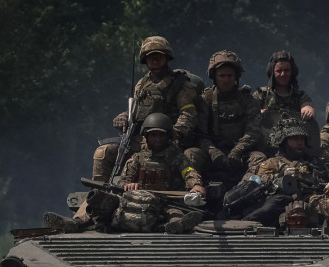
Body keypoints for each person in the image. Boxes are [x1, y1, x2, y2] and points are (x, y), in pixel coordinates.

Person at [47, 113, 204, 233]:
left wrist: (196, 186)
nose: (157, 139)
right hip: (133, 200)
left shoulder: (177, 158)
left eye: (161, 135)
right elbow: (124, 180)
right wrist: (128, 185)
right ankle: (75, 223)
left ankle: (177, 226)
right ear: (146, 136)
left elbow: (189, 172)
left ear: (168, 136)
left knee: (174, 213)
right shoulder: (137, 158)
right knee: (101, 202)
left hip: (164, 201)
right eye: (153, 135)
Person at [91, 36, 200, 182]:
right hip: (143, 139)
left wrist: (172, 135)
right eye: (150, 57)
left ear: (167, 58)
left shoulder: (181, 84)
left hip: (170, 140)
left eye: (158, 57)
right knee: (103, 152)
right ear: (145, 60)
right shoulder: (142, 84)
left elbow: (188, 115)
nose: (154, 61)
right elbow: (135, 110)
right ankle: (99, 192)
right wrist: (123, 117)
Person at [185, 50, 266, 189]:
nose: (226, 80)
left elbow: (253, 132)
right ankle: (196, 188)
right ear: (214, 77)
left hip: (241, 153)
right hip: (212, 153)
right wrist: (213, 151)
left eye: (230, 75)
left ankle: (243, 190)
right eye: (222, 76)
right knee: (189, 155)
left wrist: (237, 151)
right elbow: (200, 135)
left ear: (236, 76)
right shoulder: (205, 100)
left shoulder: (248, 101)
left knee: (259, 158)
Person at [252, 51, 319, 156]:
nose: (283, 74)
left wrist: (307, 109)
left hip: (294, 150)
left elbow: (307, 105)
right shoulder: (261, 95)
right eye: (279, 71)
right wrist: (257, 113)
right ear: (272, 72)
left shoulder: (299, 96)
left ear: (292, 72)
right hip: (265, 149)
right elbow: (249, 114)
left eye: (287, 70)